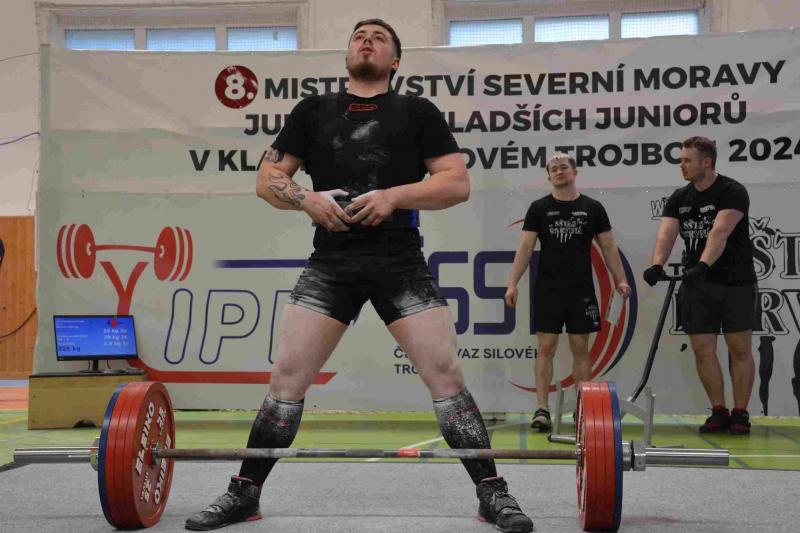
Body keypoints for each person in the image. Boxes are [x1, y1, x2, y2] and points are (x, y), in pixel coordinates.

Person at [185, 19, 533, 533]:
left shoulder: (417, 111)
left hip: (400, 262)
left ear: (396, 60)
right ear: (348, 53)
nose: (367, 40)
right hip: (331, 264)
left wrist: (395, 196)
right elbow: (267, 179)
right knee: (286, 379)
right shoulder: (313, 110)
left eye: (379, 37)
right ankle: (244, 493)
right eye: (358, 35)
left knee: (446, 376)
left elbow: (456, 183)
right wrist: (307, 199)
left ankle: (492, 493)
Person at [504, 153, 631, 432]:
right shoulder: (539, 208)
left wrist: (620, 280)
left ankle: (582, 408)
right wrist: (512, 283)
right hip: (548, 289)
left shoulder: (593, 208)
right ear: (549, 176)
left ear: (575, 172)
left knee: (580, 349)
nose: (559, 172)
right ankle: (542, 409)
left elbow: (609, 248)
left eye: (563, 167)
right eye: (554, 169)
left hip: (581, 289)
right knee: (545, 348)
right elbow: (525, 248)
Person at [643, 136, 757, 435]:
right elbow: (666, 234)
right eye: (680, 160)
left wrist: (704, 264)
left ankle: (740, 413)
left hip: (735, 283)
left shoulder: (732, 191)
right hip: (697, 285)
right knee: (703, 350)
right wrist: (657, 265)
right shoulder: (679, 197)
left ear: (706, 162)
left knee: (739, 349)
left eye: (687, 161)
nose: (681, 166)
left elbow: (720, 232)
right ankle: (718, 410)